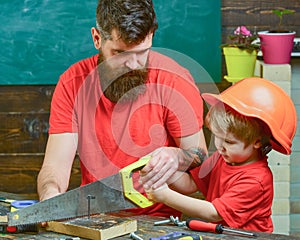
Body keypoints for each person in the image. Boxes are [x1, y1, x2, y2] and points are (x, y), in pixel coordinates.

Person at [37, 0, 208, 218]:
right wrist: (50, 194)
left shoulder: (175, 81)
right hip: (95, 218)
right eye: (121, 53)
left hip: (158, 222)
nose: (134, 64)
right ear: (97, 39)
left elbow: (199, 155)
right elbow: (55, 167)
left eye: (142, 52)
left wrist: (177, 157)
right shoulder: (73, 83)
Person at [142, 77, 297, 231]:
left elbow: (213, 213)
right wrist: (161, 171)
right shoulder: (222, 157)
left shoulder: (257, 181)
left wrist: (164, 196)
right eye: (217, 136)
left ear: (257, 142)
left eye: (228, 142)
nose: (219, 146)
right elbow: (190, 184)